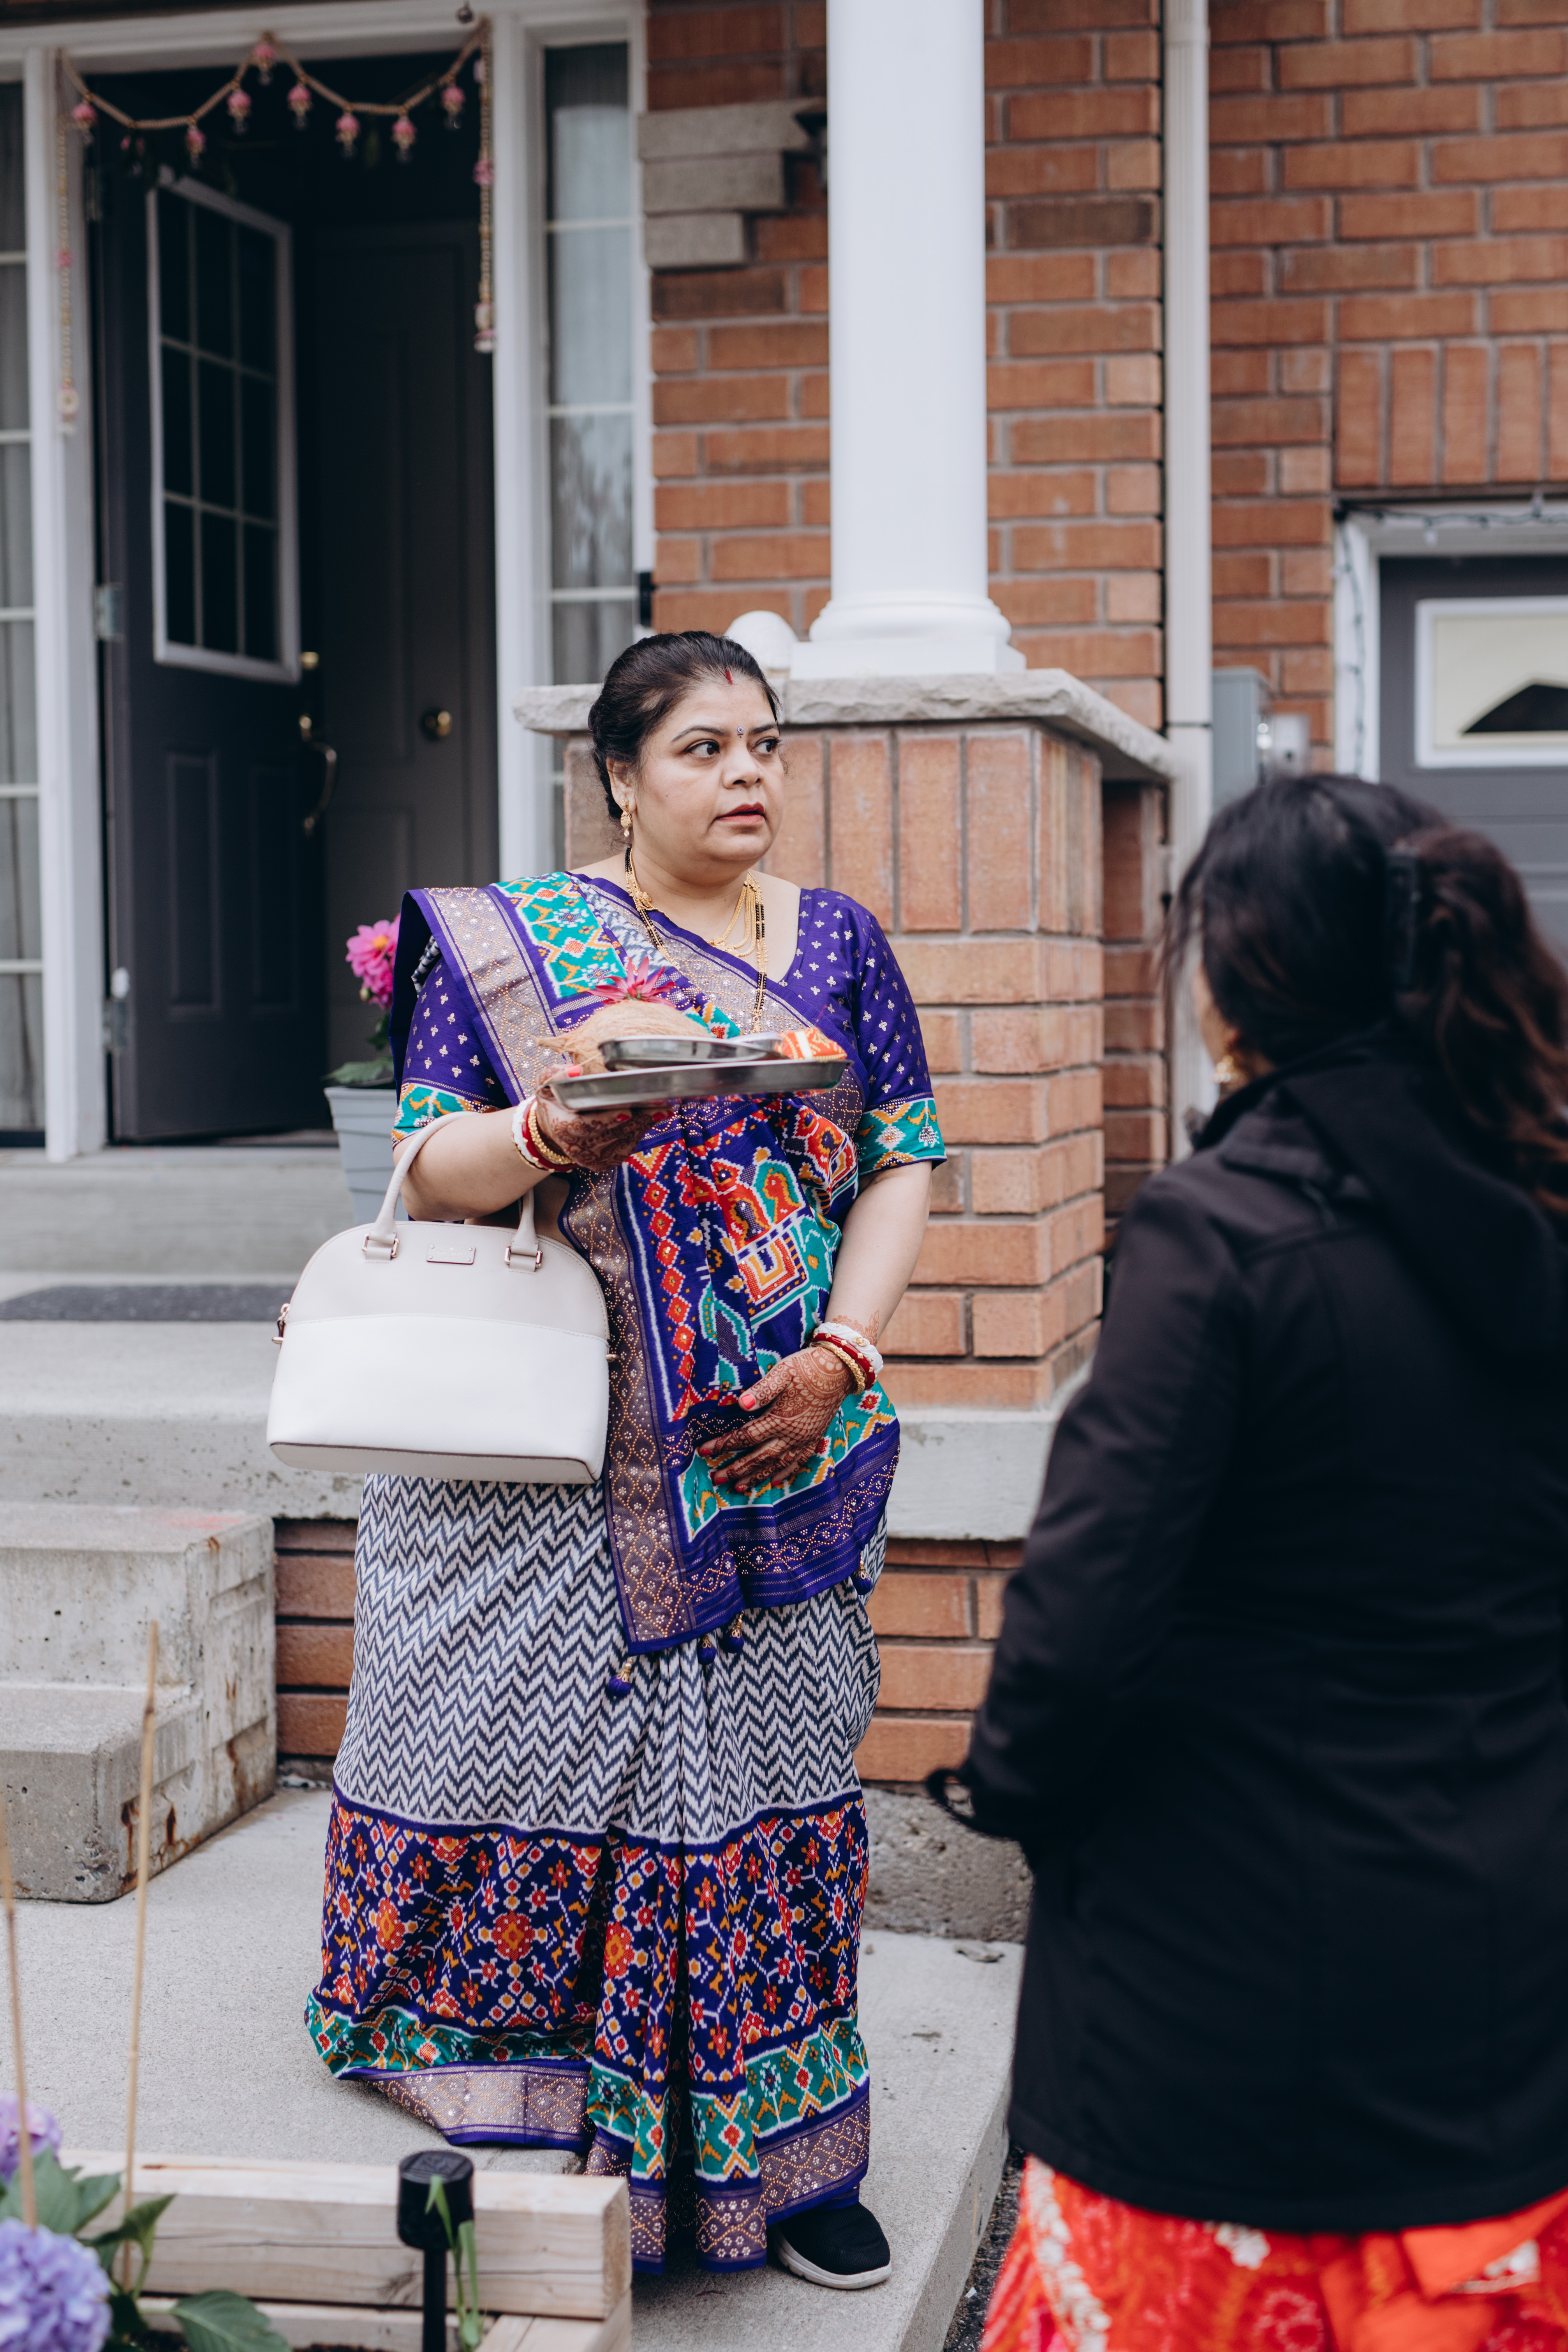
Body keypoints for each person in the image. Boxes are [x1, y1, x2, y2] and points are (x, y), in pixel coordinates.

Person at [306, 630, 944, 2290]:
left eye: (764, 745)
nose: (746, 774)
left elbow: (901, 1158)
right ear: (617, 775)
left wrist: (841, 1351)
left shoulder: (839, 942)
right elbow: (424, 1164)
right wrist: (549, 1126)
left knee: (773, 1779)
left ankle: (786, 2140)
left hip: (777, 1440)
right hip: (557, 1450)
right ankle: (524, 2079)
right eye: (701, 749)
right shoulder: (516, 945)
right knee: (526, 1754)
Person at [944, 774, 1568, 2350]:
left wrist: (1015, 1789)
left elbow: (1078, 1622)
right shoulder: (1538, 1204)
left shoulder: (1218, 1232)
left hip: (1218, 2020)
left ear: (1239, 989)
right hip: (1502, 1992)